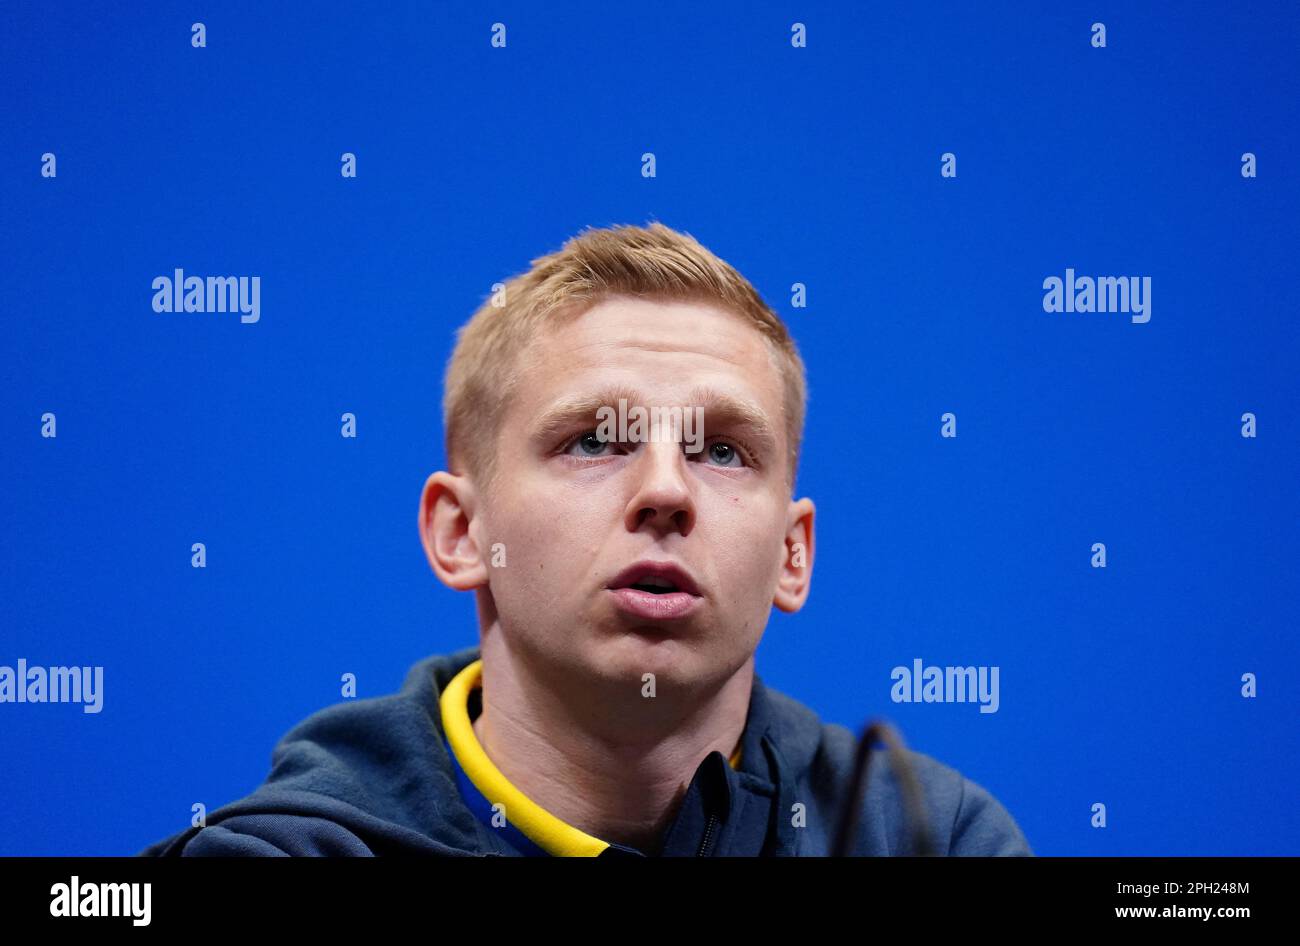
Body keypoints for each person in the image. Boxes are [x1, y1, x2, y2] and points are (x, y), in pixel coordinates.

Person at [140, 222, 1032, 857]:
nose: (664, 492)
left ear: (793, 554)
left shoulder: (933, 837)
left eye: (722, 450)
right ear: (461, 532)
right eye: (594, 442)